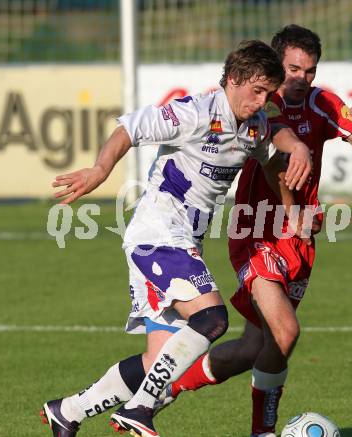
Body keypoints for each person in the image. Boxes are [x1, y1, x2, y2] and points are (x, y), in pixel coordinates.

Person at [40, 40, 312, 437]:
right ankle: (138, 411)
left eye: (268, 93)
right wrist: (100, 171)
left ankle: (68, 410)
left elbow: (272, 161)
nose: (262, 101)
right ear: (233, 80)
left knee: (158, 365)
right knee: (212, 319)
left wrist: (291, 208)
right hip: (158, 233)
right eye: (256, 91)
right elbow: (129, 128)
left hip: (181, 242)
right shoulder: (196, 112)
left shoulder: (255, 125)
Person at [154, 25, 352, 437]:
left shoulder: (324, 102)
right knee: (286, 331)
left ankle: (162, 391)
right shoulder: (264, 103)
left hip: (299, 241)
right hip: (256, 232)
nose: (301, 78)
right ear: (278, 65)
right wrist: (294, 208)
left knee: (254, 348)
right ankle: (264, 431)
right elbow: (275, 155)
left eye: (309, 70)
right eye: (293, 68)